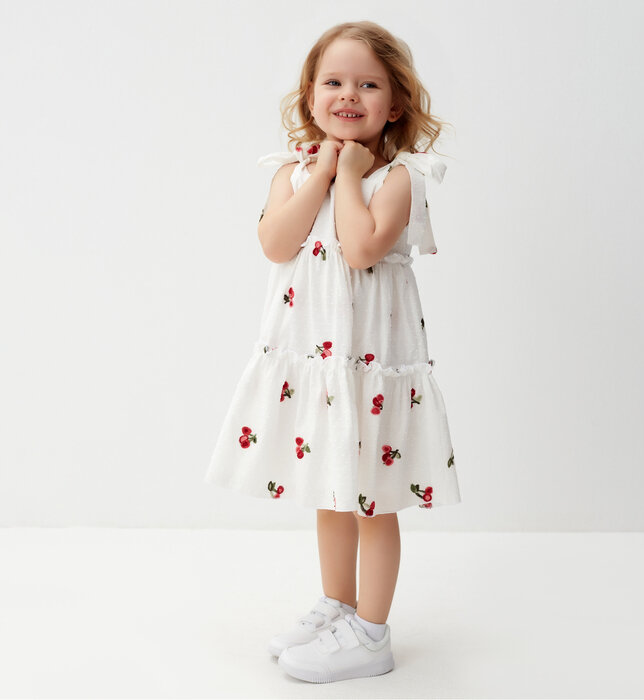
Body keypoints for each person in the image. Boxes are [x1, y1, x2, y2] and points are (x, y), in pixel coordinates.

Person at [204, 20, 462, 683]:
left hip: (370, 369)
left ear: (395, 105)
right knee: (330, 491)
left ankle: (371, 632)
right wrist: (321, 172)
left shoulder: (399, 178)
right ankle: (337, 605)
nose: (349, 95)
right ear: (310, 96)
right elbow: (276, 244)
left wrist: (348, 175)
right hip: (319, 369)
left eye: (368, 85)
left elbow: (361, 247)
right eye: (334, 82)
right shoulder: (291, 174)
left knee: (372, 500)